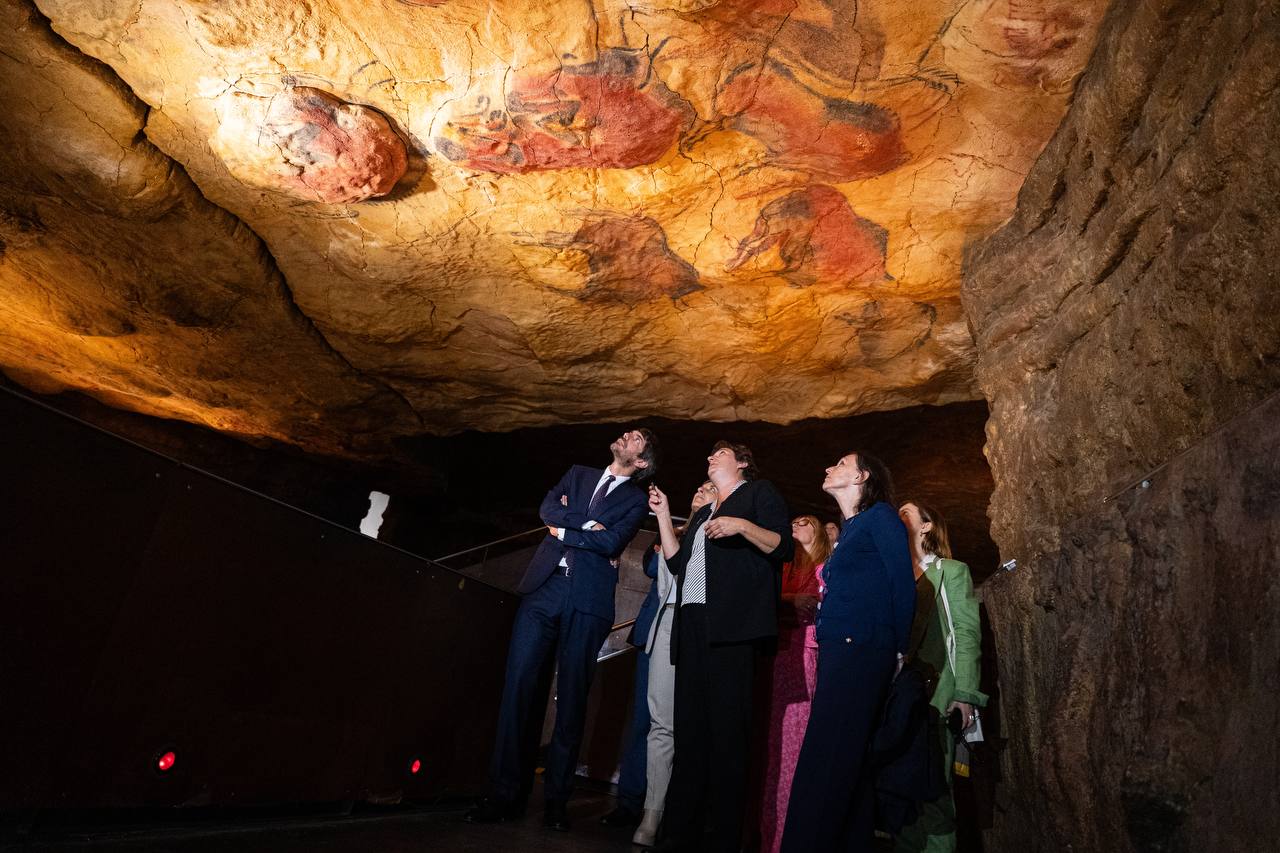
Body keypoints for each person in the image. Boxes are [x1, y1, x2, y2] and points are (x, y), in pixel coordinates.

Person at [465, 429, 659, 832]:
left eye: (637, 439)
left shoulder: (636, 499)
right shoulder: (577, 473)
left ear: (641, 462)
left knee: (571, 699)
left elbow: (612, 544)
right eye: (629, 432)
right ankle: (503, 795)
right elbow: (547, 509)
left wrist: (568, 530)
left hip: (588, 602)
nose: (627, 436)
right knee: (518, 687)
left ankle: (556, 802)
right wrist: (586, 526)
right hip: (544, 589)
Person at [648, 441, 793, 853]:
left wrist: (741, 526)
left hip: (732, 628)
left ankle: (722, 839)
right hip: (693, 624)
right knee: (689, 734)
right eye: (709, 452)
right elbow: (678, 564)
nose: (710, 456)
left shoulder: (759, 493)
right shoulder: (707, 509)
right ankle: (678, 835)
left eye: (721, 452)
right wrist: (663, 515)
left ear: (743, 462)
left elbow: (783, 546)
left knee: (728, 738)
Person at [780, 451, 914, 853]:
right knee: (845, 760)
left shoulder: (882, 518)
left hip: (863, 650)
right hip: (841, 649)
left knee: (829, 755)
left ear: (862, 476)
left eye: (839, 463)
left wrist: (898, 651)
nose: (827, 467)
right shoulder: (853, 528)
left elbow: (902, 585)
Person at [894, 501, 987, 853]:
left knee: (934, 787)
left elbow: (965, 633)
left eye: (906, 511)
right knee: (897, 788)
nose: (897, 515)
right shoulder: (895, 574)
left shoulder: (951, 571)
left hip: (937, 693)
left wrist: (965, 693)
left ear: (927, 526)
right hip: (898, 693)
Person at [632, 481, 718, 848]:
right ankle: (652, 815)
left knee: (698, 727)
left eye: (710, 486)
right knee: (660, 725)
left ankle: (690, 815)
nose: (700, 487)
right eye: (698, 485)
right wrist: (666, 518)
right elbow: (668, 570)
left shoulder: (724, 531)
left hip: (707, 629)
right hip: (668, 623)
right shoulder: (677, 531)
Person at [757, 515, 832, 853]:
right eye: (792, 521)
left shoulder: (825, 570)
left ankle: (781, 842)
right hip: (772, 654)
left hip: (804, 660)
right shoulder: (780, 566)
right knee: (765, 751)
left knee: (790, 752)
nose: (794, 524)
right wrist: (787, 600)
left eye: (804, 522)